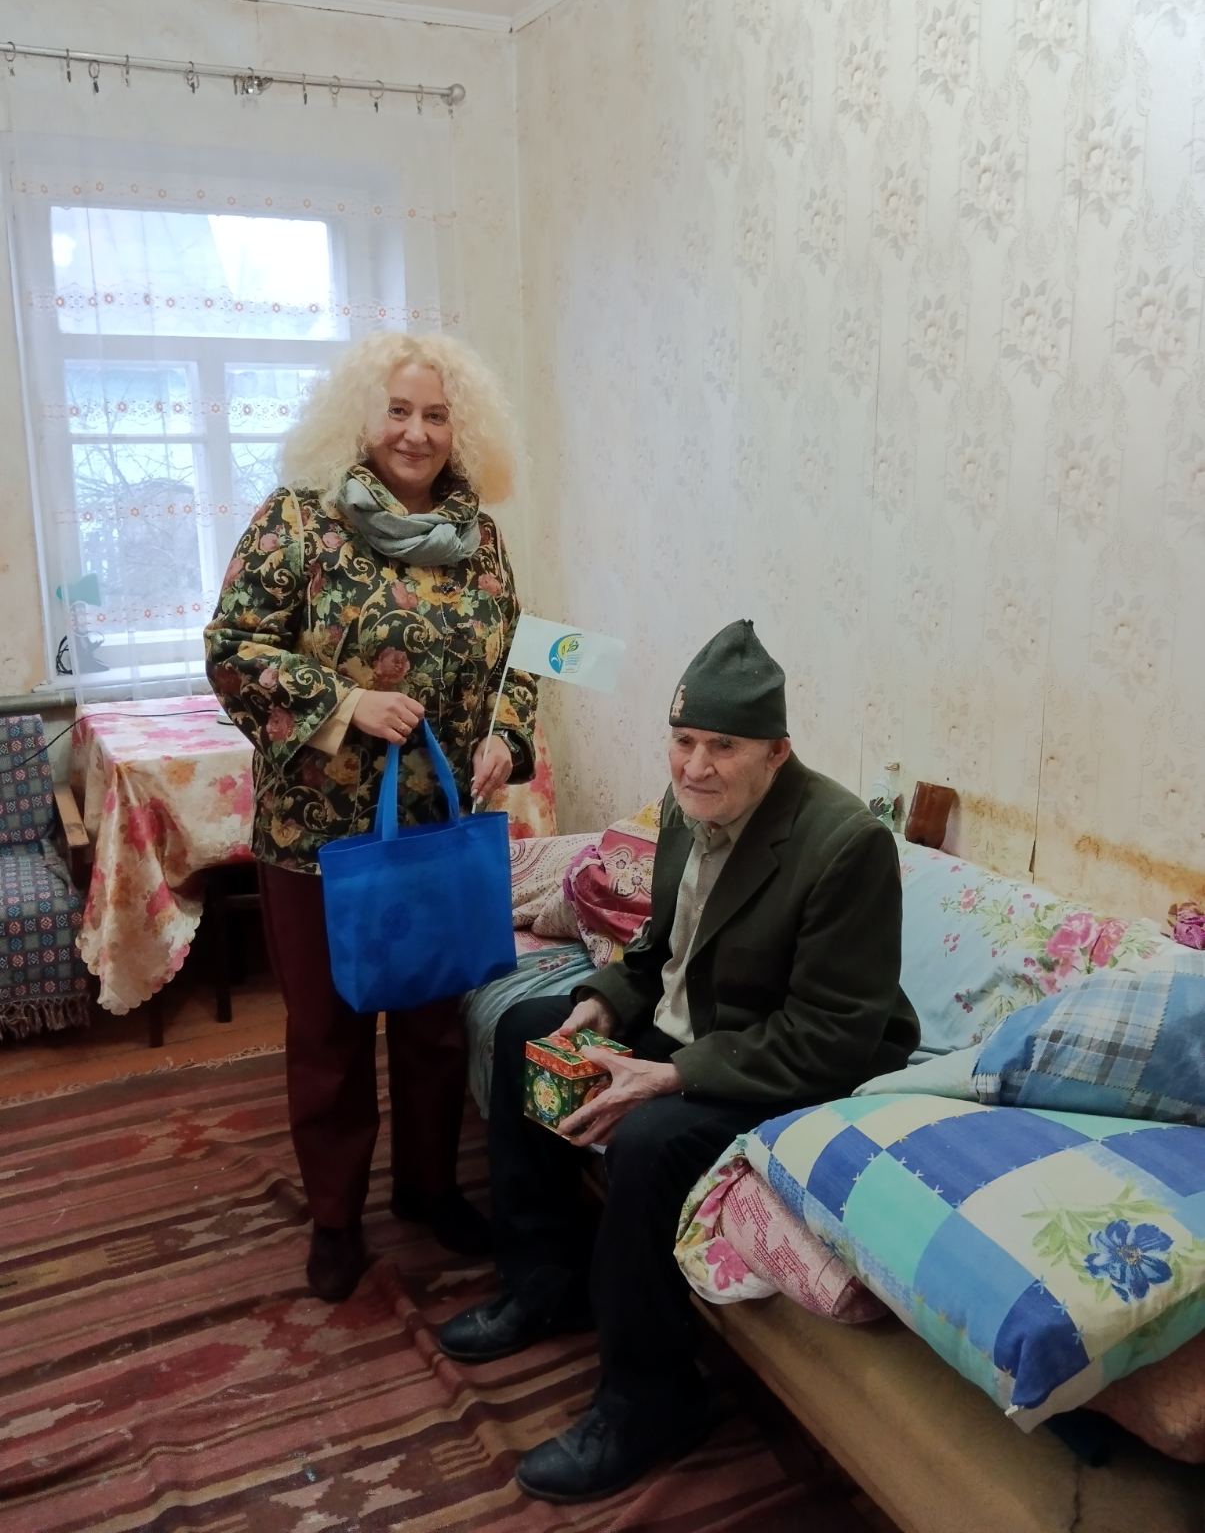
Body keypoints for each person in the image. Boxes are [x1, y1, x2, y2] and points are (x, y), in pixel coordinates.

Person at [438, 620, 919, 1504]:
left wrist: (670, 1076)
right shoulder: (681, 811)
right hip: (692, 1027)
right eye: (683, 739)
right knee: (530, 1032)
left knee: (650, 1141)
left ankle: (652, 1400)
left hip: (782, 1061)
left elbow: (833, 1035)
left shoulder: (844, 844)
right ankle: (544, 1282)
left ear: (776, 752)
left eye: (722, 746)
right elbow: (659, 952)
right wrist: (599, 1004)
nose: (695, 765)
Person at [205, 331, 537, 1304]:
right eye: (398, 410)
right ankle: (335, 1220)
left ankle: (429, 1190)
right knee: (330, 1035)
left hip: (438, 831)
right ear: (363, 417)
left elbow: (520, 658)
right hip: (317, 840)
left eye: (435, 415)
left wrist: (506, 736)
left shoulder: (479, 538)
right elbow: (232, 647)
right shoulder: (298, 520)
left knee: (434, 1027)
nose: (415, 432)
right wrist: (344, 702)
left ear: (460, 430)